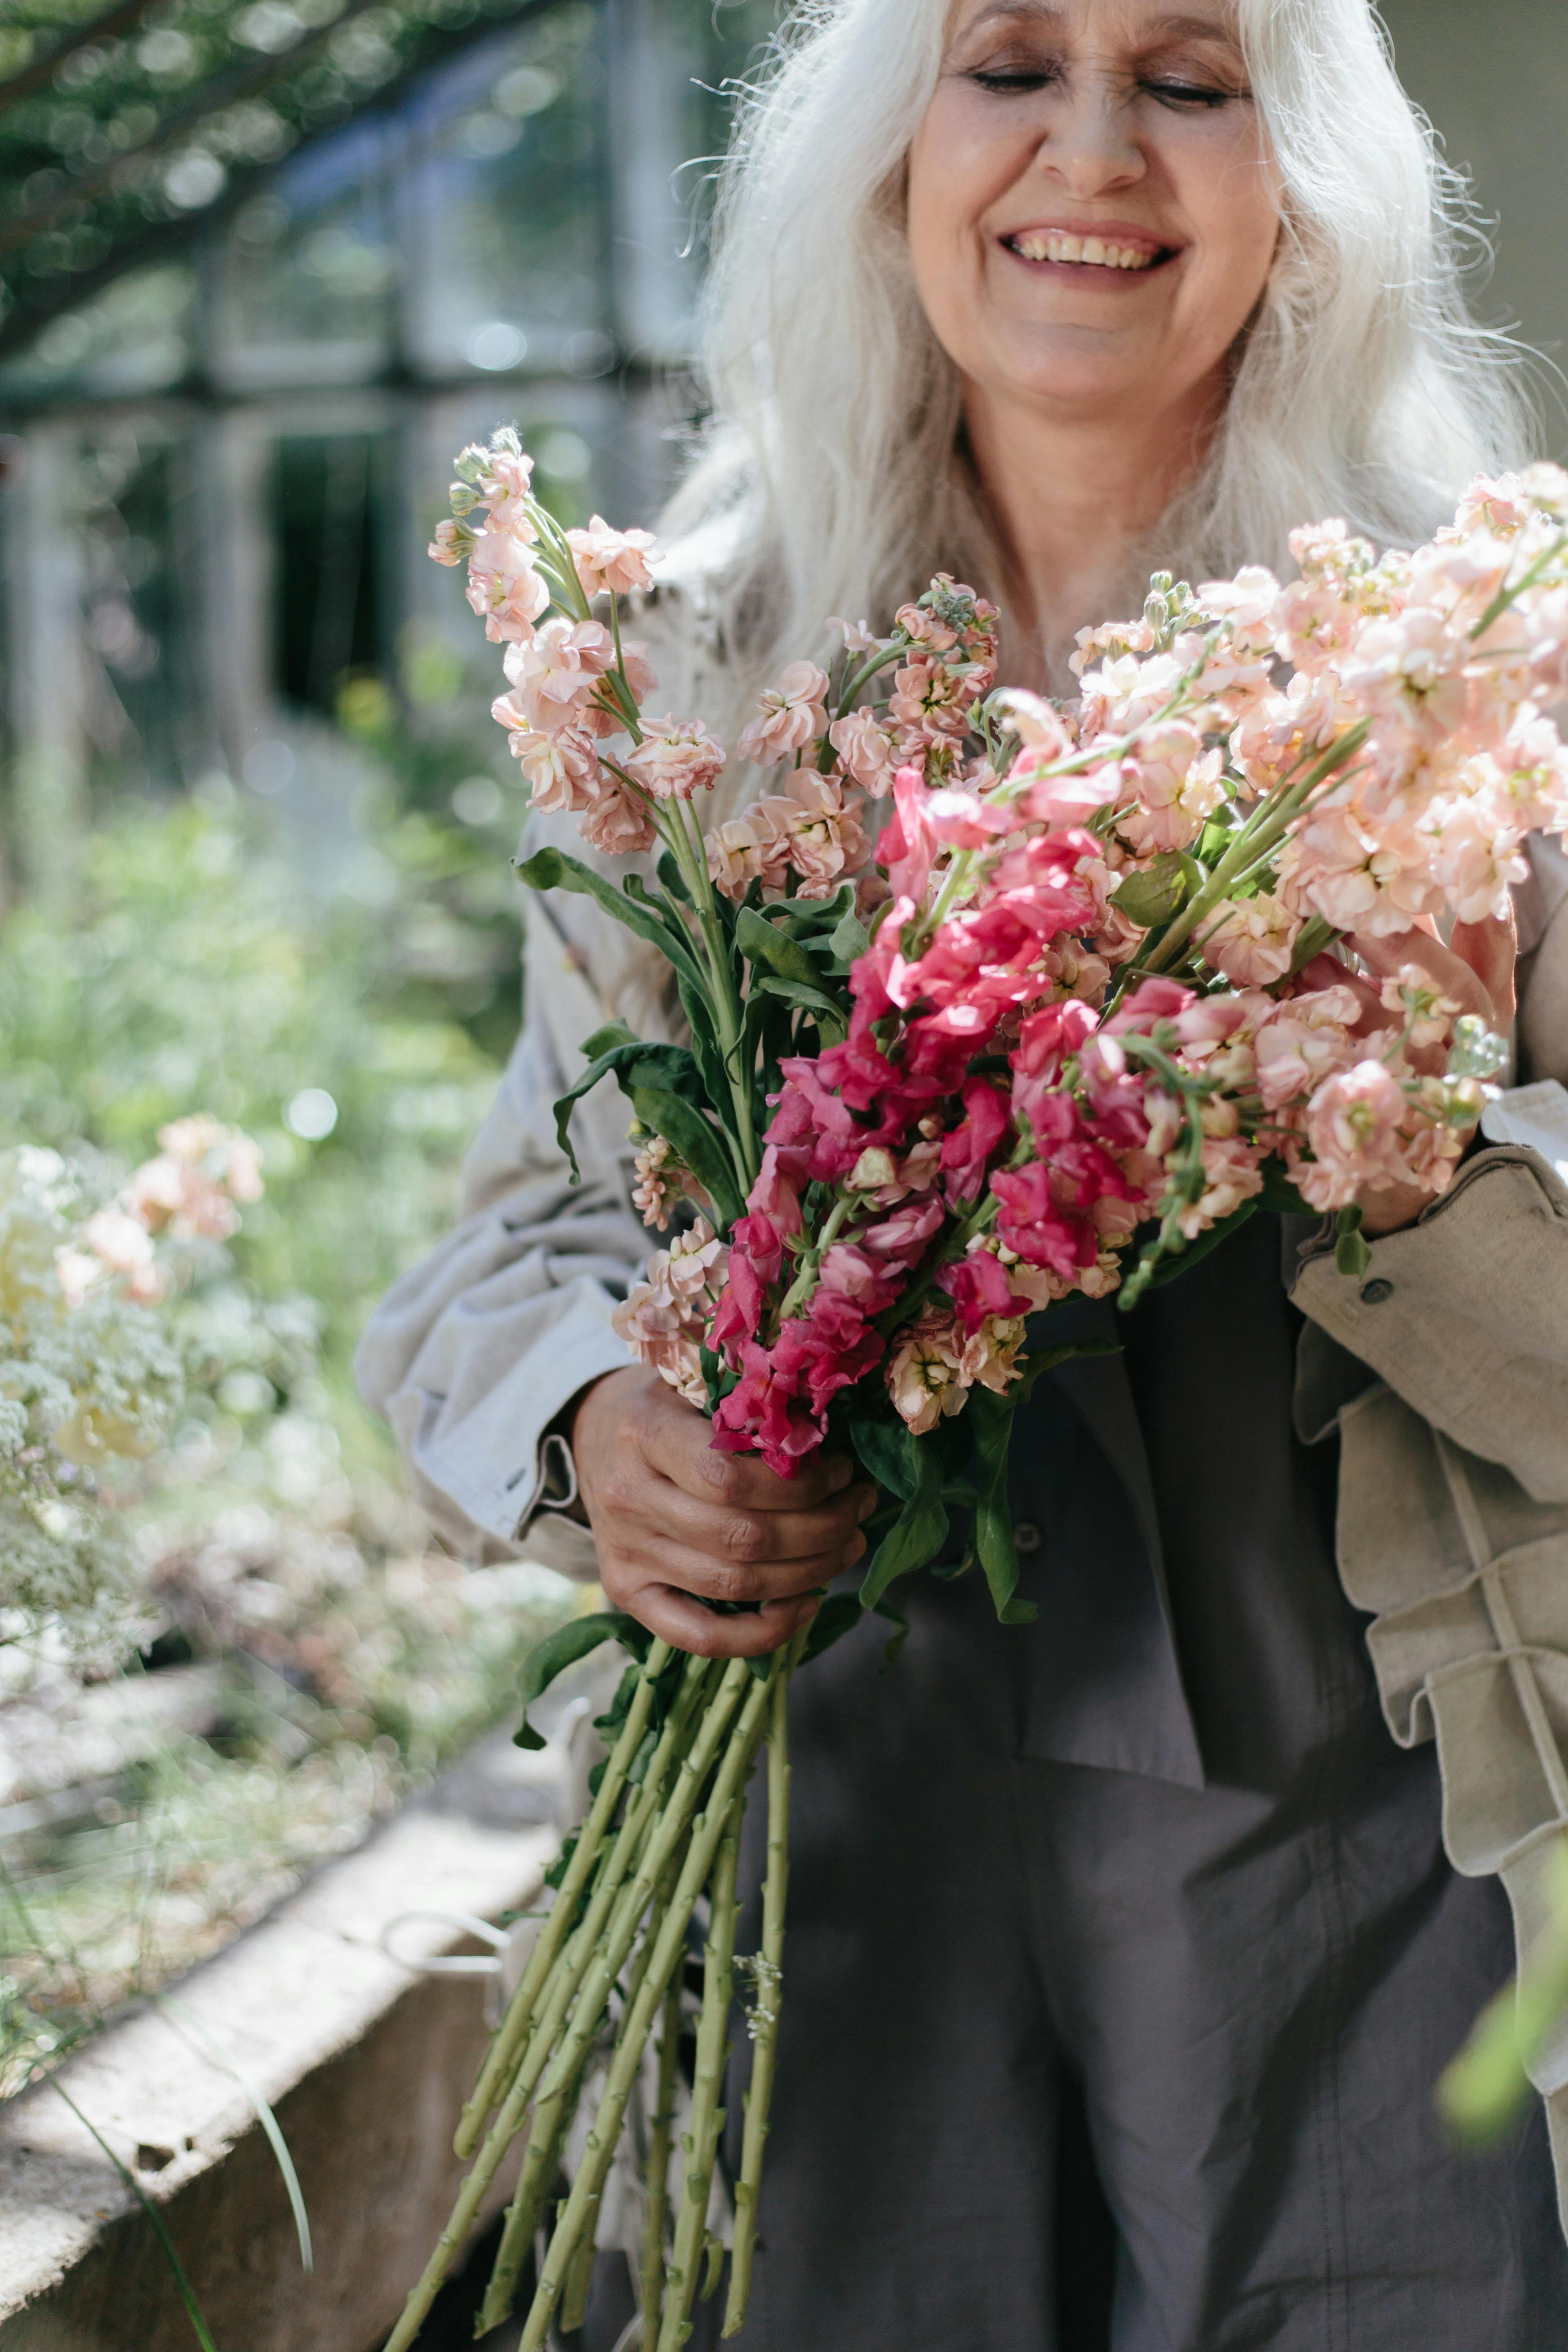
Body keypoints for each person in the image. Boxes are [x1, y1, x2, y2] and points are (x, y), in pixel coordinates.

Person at [359, 3, 1568, 2344]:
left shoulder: (1466, 689)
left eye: (1191, 79)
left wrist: (1391, 1134)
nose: (1089, 152)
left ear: (1301, 174)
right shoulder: (694, 669)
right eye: (1007, 60)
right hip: (821, 1783)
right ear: (886, 146)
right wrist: (607, 1435)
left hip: (1362, 1781)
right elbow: (492, 1255)